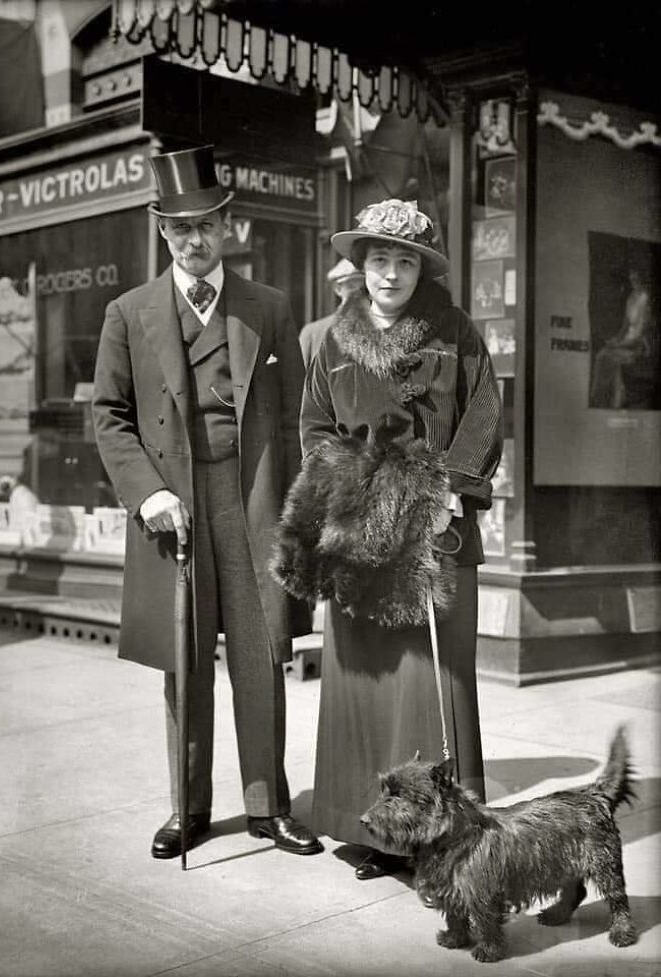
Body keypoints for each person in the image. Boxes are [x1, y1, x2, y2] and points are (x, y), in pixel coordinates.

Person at [92, 145, 322, 860]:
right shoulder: (129, 313)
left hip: (252, 500)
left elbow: (292, 421)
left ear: (230, 226)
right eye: (179, 229)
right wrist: (147, 492)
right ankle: (187, 809)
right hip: (174, 507)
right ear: (163, 233)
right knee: (184, 662)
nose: (194, 241)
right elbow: (109, 415)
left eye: (207, 226)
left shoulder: (270, 308)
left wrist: (296, 507)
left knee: (262, 657)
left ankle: (268, 806)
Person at [274, 198, 502, 881]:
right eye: (379, 261)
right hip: (359, 526)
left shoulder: (455, 331)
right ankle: (370, 829)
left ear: (421, 269)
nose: (391, 275)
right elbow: (314, 425)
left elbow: (486, 407)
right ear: (361, 266)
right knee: (363, 678)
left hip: (437, 525)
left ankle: (442, 834)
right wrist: (348, 485)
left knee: (433, 677)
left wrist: (452, 489)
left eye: (405, 262)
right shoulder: (335, 340)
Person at [590, 267, 656, 409]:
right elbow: (625, 326)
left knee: (605, 357)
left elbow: (643, 330)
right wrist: (616, 339)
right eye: (632, 278)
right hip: (627, 340)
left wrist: (621, 345)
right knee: (602, 355)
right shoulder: (631, 297)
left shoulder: (646, 297)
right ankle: (606, 399)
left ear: (642, 278)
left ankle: (609, 399)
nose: (634, 281)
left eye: (636, 278)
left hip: (639, 345)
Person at [298, 258, 364, 369]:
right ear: (338, 289)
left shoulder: (384, 329)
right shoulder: (313, 332)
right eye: (351, 287)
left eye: (363, 288)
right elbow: (299, 379)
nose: (358, 292)